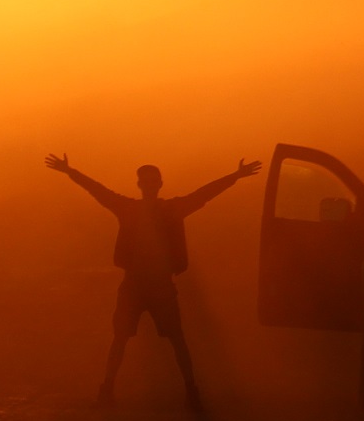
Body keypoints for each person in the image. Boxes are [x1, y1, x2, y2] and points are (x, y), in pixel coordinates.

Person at [46, 152, 262, 408]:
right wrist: (71, 172)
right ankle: (110, 388)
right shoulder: (142, 209)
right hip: (136, 285)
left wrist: (235, 176)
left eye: (152, 182)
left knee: (174, 339)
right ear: (141, 185)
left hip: (158, 286)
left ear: (159, 184)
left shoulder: (157, 209)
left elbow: (205, 194)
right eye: (145, 182)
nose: (149, 186)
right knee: (124, 338)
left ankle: (188, 390)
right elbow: (97, 190)